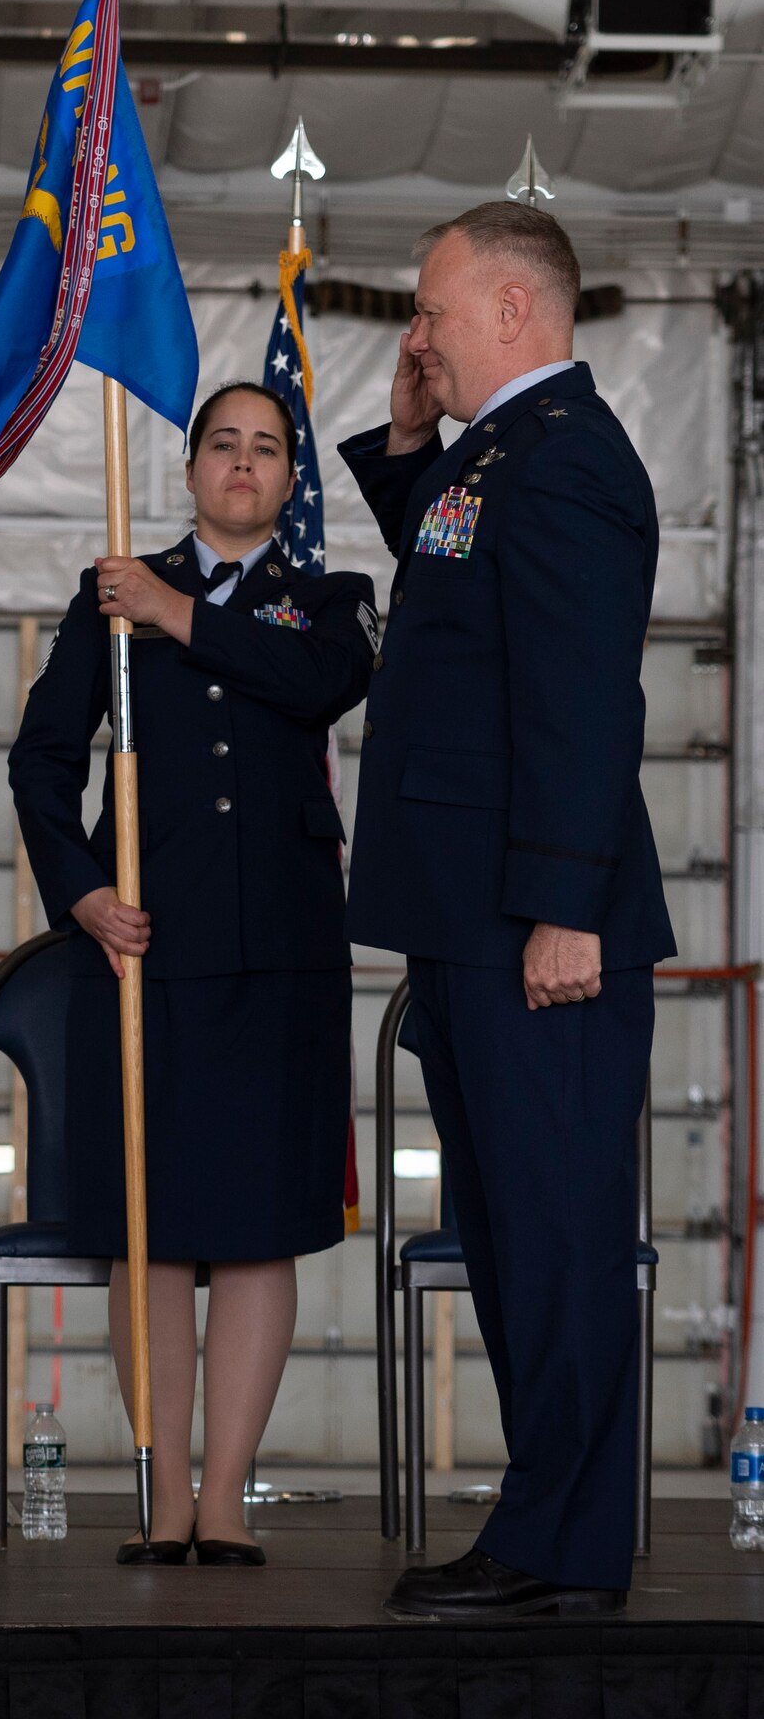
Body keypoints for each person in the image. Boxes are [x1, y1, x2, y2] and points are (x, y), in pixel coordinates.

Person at [338, 202, 674, 1621]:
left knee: (556, 1235)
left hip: (537, 923)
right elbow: (453, 579)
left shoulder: (570, 462)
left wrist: (557, 908)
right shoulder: (499, 456)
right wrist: (408, 441)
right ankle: (547, 1520)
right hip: (473, 914)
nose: (414, 335)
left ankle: (563, 1543)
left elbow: (584, 702)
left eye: (431, 310)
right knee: (510, 1233)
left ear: (516, 313)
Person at [9, 382, 377, 1566]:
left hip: (281, 955)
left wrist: (173, 609)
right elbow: (40, 760)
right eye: (222, 442)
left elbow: (317, 684)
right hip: (144, 952)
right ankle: (163, 1498)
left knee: (261, 1228)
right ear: (186, 466)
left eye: (266, 449)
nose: (242, 463)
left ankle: (225, 1497)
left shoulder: (329, 602)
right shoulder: (103, 598)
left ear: (288, 478)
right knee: (151, 1230)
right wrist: (78, 890)